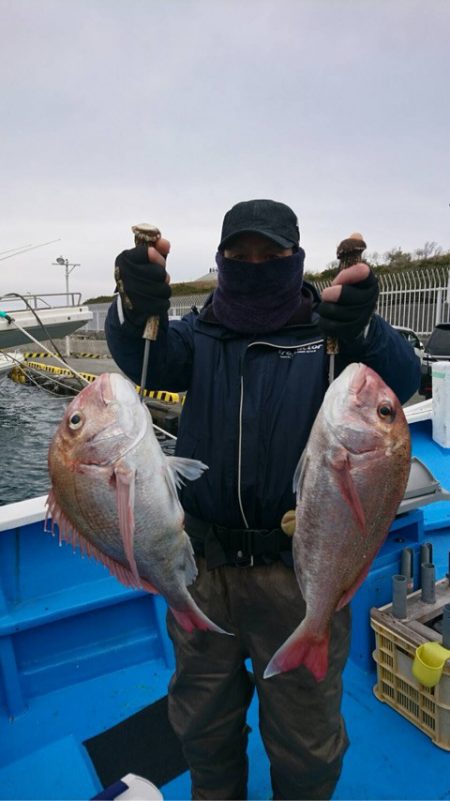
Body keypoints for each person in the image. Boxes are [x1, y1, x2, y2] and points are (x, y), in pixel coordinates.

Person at [105, 199, 420, 801]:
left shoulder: (329, 338)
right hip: (203, 569)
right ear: (222, 261)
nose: (254, 264)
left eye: (270, 254)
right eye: (239, 254)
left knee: (306, 742)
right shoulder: (195, 336)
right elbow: (137, 355)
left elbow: (400, 385)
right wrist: (134, 304)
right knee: (203, 728)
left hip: (301, 573)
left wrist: (365, 328)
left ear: (294, 258)